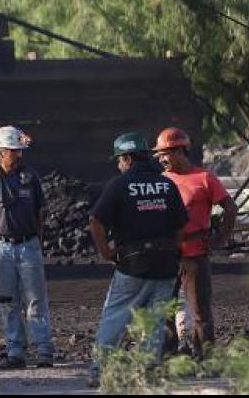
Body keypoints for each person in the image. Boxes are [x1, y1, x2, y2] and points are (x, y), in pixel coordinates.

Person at [87, 132, 189, 388]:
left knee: (115, 317)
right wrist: (172, 250)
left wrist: (105, 252)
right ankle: (147, 370)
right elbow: (181, 227)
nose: (118, 165)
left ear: (128, 158)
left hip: (132, 264)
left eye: (119, 159)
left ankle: (100, 370)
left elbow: (96, 221)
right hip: (166, 265)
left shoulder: (120, 185)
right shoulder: (166, 184)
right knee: (154, 321)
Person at [0, 125, 55, 368]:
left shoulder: (30, 179)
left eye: (20, 150)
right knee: (7, 301)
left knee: (36, 300)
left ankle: (43, 350)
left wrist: (37, 244)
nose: (19, 155)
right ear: (0, 152)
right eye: (14, 150)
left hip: (28, 244)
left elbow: (40, 214)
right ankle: (15, 351)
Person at [154, 127, 237, 358]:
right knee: (166, 309)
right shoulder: (162, 181)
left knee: (200, 311)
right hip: (168, 255)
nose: (162, 159)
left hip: (195, 255)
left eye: (166, 153)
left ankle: (205, 357)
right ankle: (170, 356)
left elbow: (230, 208)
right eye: (160, 154)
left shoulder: (204, 178)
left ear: (181, 151)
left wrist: (221, 237)